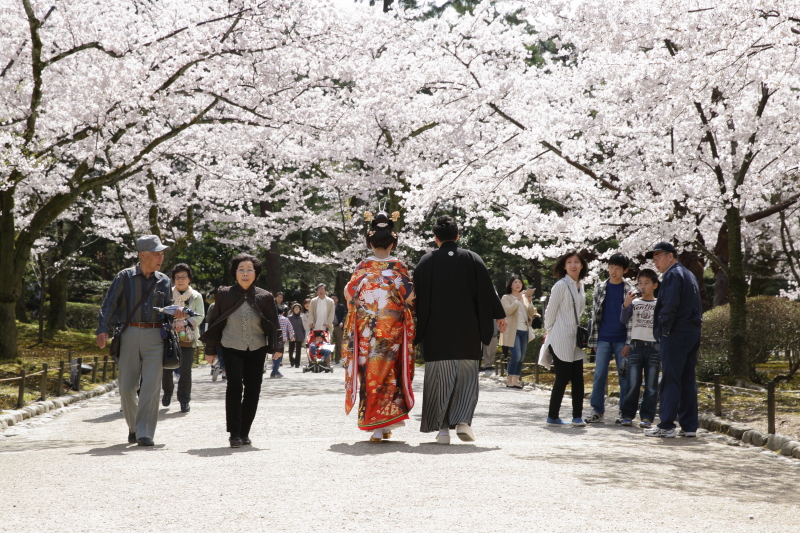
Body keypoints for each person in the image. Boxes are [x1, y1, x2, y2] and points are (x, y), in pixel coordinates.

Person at [413, 216, 507, 444]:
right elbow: (487, 291)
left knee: (440, 381)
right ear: (457, 236)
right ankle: (463, 422)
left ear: (436, 239)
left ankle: (443, 430)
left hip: (437, 334)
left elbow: (417, 300)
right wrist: (499, 315)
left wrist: (416, 331)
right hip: (468, 333)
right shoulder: (473, 259)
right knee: (466, 379)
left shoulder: (426, 262)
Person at [96, 235, 180, 446]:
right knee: (126, 387)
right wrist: (102, 329)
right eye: (156, 254)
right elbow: (109, 304)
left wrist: (177, 315)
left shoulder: (164, 280)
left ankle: (145, 432)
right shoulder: (123, 277)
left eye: (162, 254)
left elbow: (167, 307)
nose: (160, 258)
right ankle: (134, 426)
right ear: (143, 255)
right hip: (129, 334)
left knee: (151, 387)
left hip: (156, 335)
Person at [343, 211, 416, 442]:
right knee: (389, 373)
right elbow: (411, 297)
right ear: (393, 242)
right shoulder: (399, 267)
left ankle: (377, 427)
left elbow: (349, 294)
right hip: (392, 331)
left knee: (370, 374)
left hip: (367, 331)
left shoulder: (363, 267)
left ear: (370, 242)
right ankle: (383, 425)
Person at [200, 253, 283, 448]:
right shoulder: (224, 294)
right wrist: (210, 349)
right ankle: (234, 433)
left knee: (253, 390)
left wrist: (277, 347)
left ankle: (245, 432)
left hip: (257, 347)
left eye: (249, 270)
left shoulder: (265, 296)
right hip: (232, 346)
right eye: (241, 270)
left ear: (256, 273)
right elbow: (214, 322)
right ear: (235, 273)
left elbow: (274, 323)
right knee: (235, 385)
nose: (245, 274)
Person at [644, 242, 703, 438]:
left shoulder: (672, 275)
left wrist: (663, 331)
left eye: (658, 257)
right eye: (654, 259)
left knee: (670, 379)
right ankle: (689, 427)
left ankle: (666, 425)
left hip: (675, 333)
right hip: (691, 332)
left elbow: (669, 306)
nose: (656, 262)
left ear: (670, 256)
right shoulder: (688, 274)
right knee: (687, 379)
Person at [585, 253, 637, 424]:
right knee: (599, 375)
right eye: (611, 267)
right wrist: (594, 341)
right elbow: (595, 316)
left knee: (624, 376)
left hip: (622, 340)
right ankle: (597, 410)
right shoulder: (600, 287)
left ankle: (624, 412)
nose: (613, 271)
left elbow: (632, 320)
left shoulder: (630, 290)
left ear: (625, 270)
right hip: (603, 339)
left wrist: (629, 343)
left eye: (618, 268)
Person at [542, 251, 589, 427]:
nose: (573, 265)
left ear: (582, 265)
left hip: (575, 338)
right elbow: (550, 312)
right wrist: (550, 330)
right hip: (560, 336)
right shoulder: (560, 285)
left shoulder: (581, 286)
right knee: (562, 377)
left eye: (577, 262)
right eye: (569, 262)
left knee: (578, 378)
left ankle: (577, 416)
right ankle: (552, 416)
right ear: (564, 266)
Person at [619, 269, 660, 428]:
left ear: (655, 285)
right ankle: (627, 415)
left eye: (647, 283)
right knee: (633, 383)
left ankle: (647, 417)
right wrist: (626, 304)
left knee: (651, 385)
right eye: (640, 283)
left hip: (654, 347)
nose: (642, 286)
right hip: (636, 346)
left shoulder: (659, 304)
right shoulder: (634, 303)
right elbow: (623, 320)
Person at [162, 263, 205, 413]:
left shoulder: (196, 296)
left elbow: (200, 315)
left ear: (189, 279)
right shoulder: (167, 294)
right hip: (169, 337)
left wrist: (185, 322)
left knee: (185, 371)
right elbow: (162, 312)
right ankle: (167, 392)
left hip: (188, 337)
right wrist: (172, 323)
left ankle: (184, 400)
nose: (180, 280)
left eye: (183, 277)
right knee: (166, 368)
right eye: (177, 277)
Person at [500, 276, 538, 388]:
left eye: (520, 282)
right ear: (510, 285)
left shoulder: (525, 298)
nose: (518, 284)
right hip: (513, 331)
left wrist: (529, 301)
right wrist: (518, 299)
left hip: (524, 330)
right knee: (516, 356)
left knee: (521, 357)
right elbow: (508, 311)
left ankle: (516, 381)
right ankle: (509, 381)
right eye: (515, 282)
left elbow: (531, 313)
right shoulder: (506, 297)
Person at [271, 314, 294, 378]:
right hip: (282, 340)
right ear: (283, 312)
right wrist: (291, 337)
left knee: (274, 354)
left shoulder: (272, 319)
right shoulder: (285, 319)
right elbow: (290, 329)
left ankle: (276, 370)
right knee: (278, 355)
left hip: (273, 339)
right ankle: (274, 371)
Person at [287, 302, 305, 368]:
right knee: (291, 349)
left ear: (300, 309)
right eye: (295, 307)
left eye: (298, 308)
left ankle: (297, 363)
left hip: (300, 334)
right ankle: (292, 360)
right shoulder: (289, 318)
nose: (297, 309)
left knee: (298, 350)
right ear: (293, 309)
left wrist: (304, 336)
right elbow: (287, 327)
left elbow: (304, 328)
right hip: (292, 335)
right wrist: (287, 335)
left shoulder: (302, 317)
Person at [332, 295, 347, 365]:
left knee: (339, 343)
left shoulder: (341, 306)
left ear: (337, 299)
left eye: (335, 298)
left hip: (338, 326)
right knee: (329, 342)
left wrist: (342, 322)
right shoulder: (327, 306)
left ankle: (337, 358)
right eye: (332, 298)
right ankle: (330, 358)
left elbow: (344, 315)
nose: (334, 299)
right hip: (330, 326)